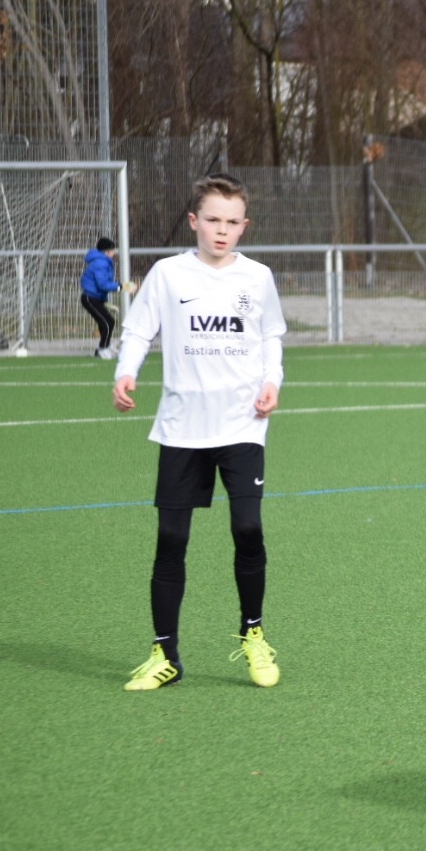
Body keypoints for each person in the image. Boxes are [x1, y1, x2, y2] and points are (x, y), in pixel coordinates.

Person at [112, 173, 286, 692]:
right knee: (171, 539)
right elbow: (139, 329)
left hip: (242, 423)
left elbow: (271, 337)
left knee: (248, 528)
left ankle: (253, 634)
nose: (221, 230)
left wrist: (272, 382)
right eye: (212, 219)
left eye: (232, 222)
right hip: (182, 427)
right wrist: (126, 371)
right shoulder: (168, 274)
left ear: (244, 226)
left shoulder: (258, 278)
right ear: (194, 221)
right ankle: (165, 655)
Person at [80, 237, 134, 360]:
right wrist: (122, 286)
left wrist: (106, 303)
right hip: (90, 298)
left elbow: (100, 287)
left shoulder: (102, 262)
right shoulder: (101, 263)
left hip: (94, 298)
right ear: (107, 251)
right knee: (108, 322)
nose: (114, 253)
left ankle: (104, 348)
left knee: (106, 322)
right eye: (113, 250)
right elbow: (103, 285)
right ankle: (103, 349)